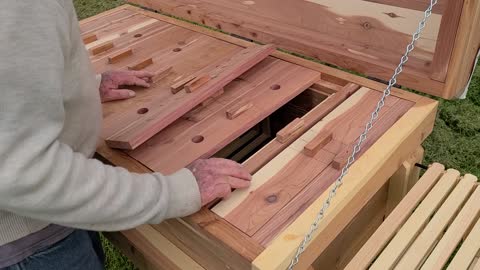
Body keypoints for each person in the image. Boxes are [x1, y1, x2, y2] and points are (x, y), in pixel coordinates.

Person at [0, 1, 252, 269]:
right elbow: (21, 172)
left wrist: (80, 87)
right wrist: (174, 193)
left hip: (40, 216)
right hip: (28, 241)